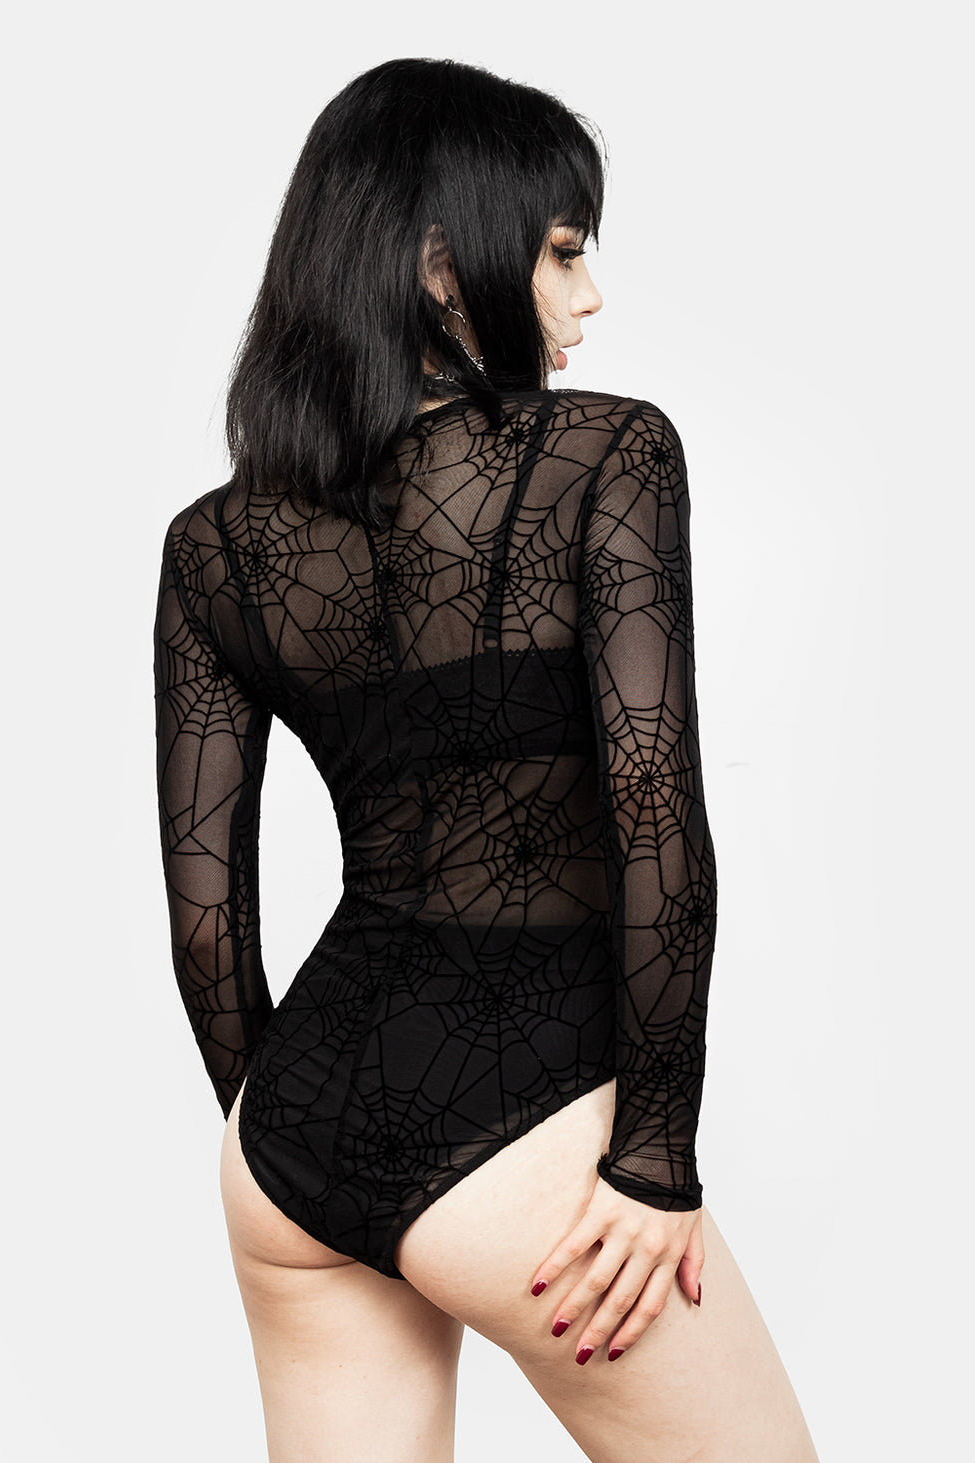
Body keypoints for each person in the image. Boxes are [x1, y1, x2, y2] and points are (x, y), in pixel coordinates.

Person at [153, 56, 820, 1463]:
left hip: (293, 1143)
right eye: (564, 249)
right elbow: (654, 816)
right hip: (530, 1130)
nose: (589, 296)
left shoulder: (214, 547)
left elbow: (207, 920)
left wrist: (303, 1134)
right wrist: (655, 1157)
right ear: (441, 264)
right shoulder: (607, 455)